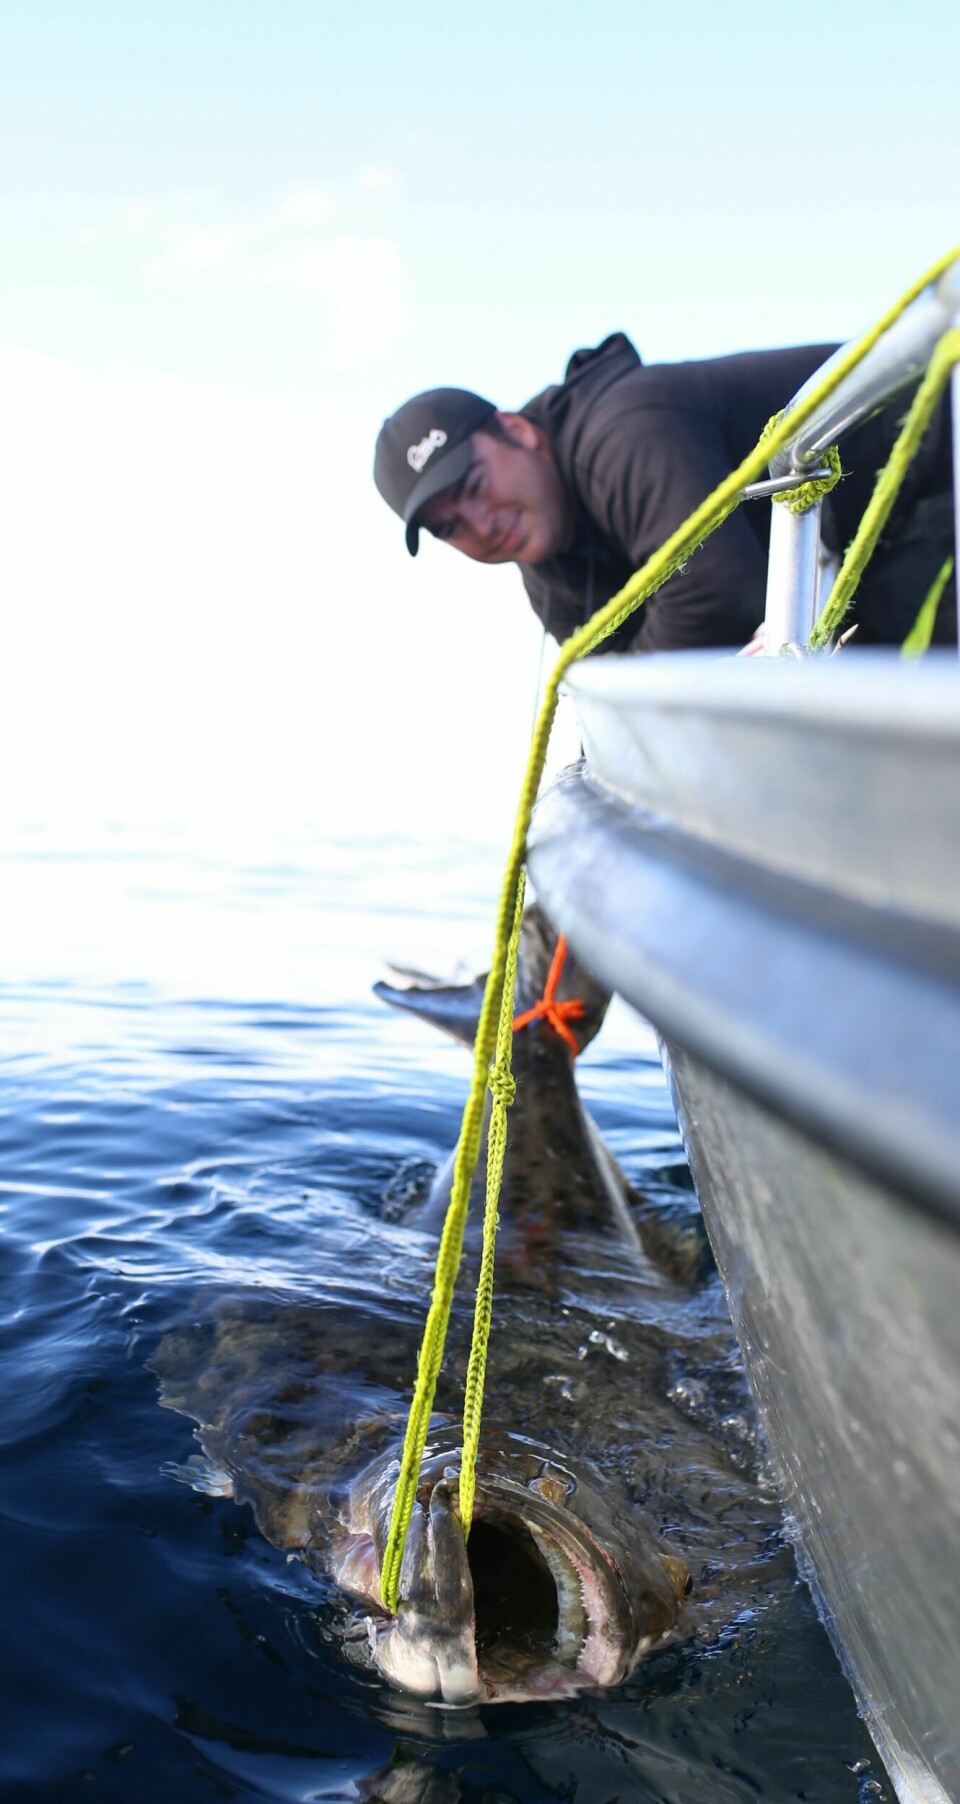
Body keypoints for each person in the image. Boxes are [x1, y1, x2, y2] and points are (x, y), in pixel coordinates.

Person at [373, 332, 956, 653]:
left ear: (518, 431)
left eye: (474, 485)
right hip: (862, 553)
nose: (481, 523)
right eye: (449, 527)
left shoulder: (624, 428)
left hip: (934, 471)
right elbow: (604, 676)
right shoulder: (543, 555)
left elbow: (720, 598)